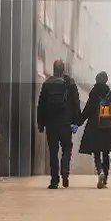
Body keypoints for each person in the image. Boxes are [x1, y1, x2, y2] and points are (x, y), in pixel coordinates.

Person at [36, 59, 81, 189]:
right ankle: (65, 170)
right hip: (66, 124)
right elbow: (75, 104)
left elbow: (41, 106)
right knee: (67, 148)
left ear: (54, 69)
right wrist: (76, 121)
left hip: (51, 125)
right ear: (63, 70)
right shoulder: (70, 83)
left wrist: (41, 123)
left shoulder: (47, 84)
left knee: (53, 152)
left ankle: (54, 181)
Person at [78, 71, 111, 189]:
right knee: (106, 153)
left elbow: (88, 110)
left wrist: (79, 121)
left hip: (95, 128)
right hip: (108, 129)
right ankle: (106, 178)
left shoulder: (94, 93)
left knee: (97, 153)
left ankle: (100, 172)